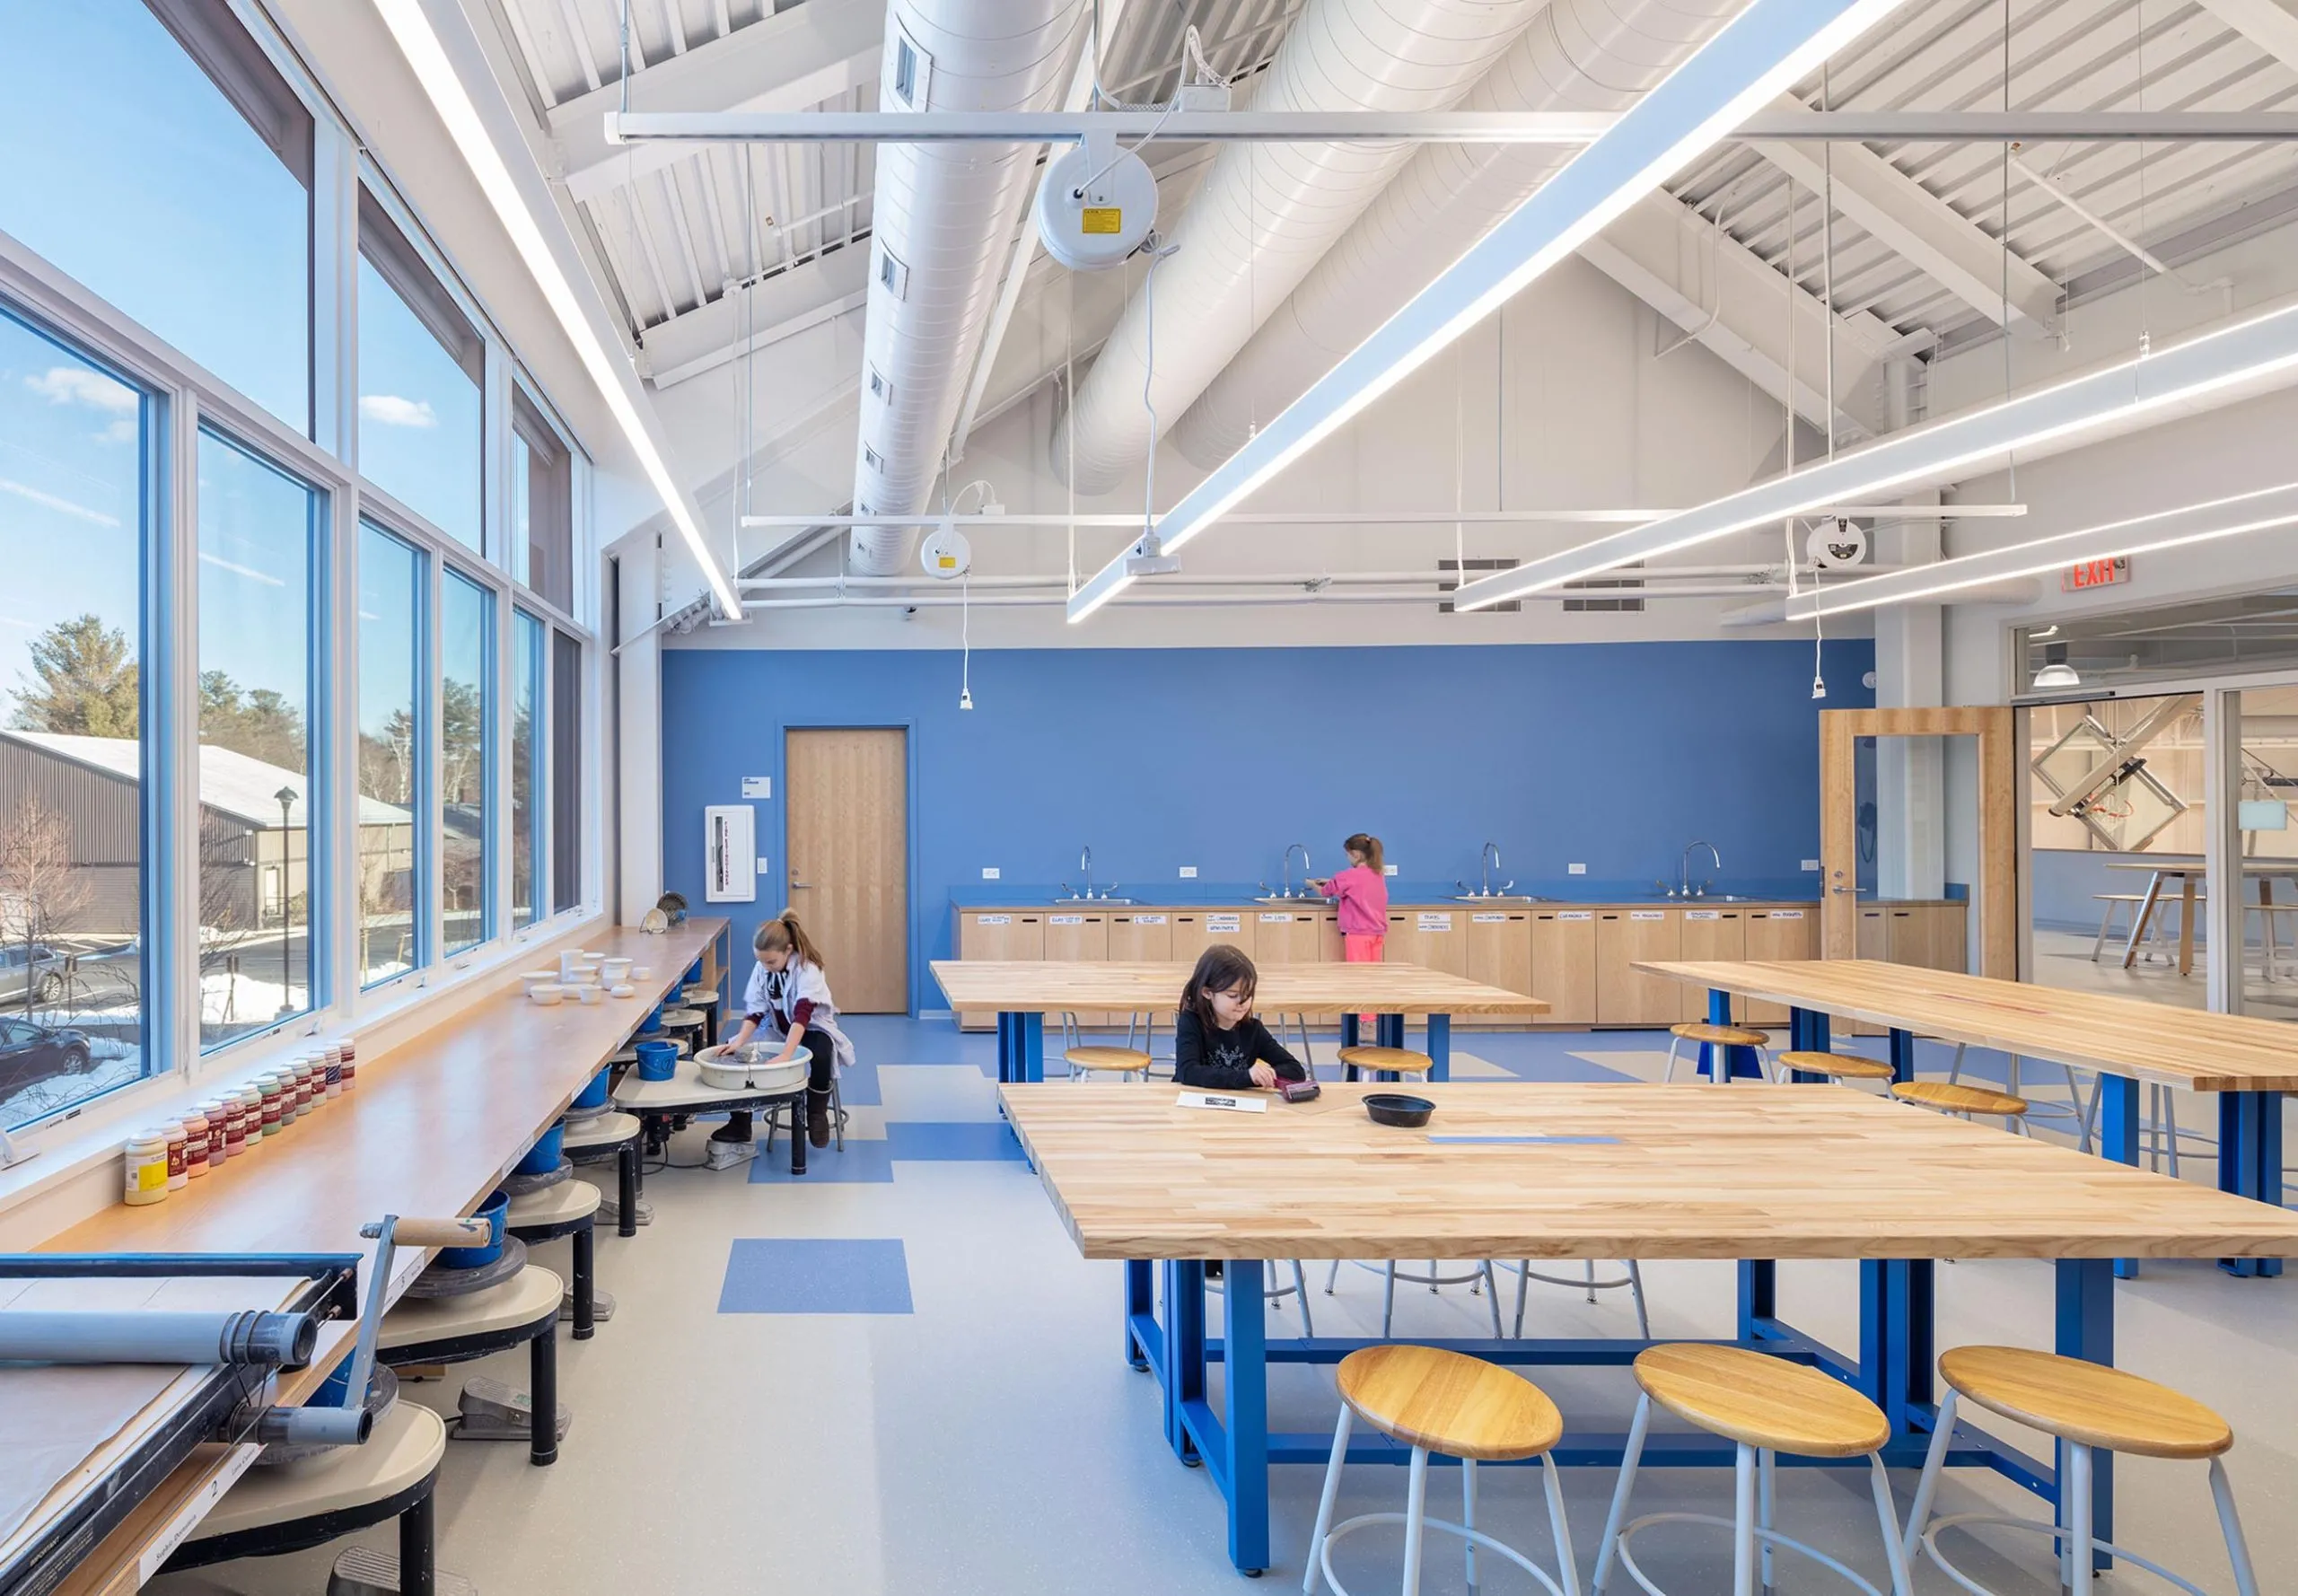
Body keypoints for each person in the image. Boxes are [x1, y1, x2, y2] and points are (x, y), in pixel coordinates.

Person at [712, 909, 855, 1162]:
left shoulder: (808, 969)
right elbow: (755, 1012)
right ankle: (740, 1123)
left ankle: (817, 1112)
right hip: (778, 1028)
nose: (766, 966)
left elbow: (802, 1016)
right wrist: (739, 1042)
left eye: (771, 962)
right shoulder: (762, 968)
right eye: (762, 961)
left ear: (788, 950)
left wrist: (786, 1055)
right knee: (741, 1054)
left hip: (810, 1027)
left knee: (822, 1052)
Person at [1173, 945, 1308, 1092]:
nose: (1242, 1002)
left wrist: (1265, 1075)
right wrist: (1246, 1077)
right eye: (1232, 995)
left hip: (1238, 1106)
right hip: (1192, 1104)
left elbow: (1296, 1070)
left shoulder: (1252, 1029)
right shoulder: (1191, 1022)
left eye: (1248, 995)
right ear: (1207, 992)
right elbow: (1188, 1072)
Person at [1310, 832, 1390, 1035]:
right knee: (1371, 978)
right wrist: (1332, 881)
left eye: (1347, 855)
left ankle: (1365, 1024)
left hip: (1358, 934)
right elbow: (1351, 887)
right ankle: (1372, 1019)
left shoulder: (1347, 876)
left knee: (1358, 979)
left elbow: (1326, 891)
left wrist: (1312, 884)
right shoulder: (1377, 874)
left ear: (1355, 854)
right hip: (1377, 933)